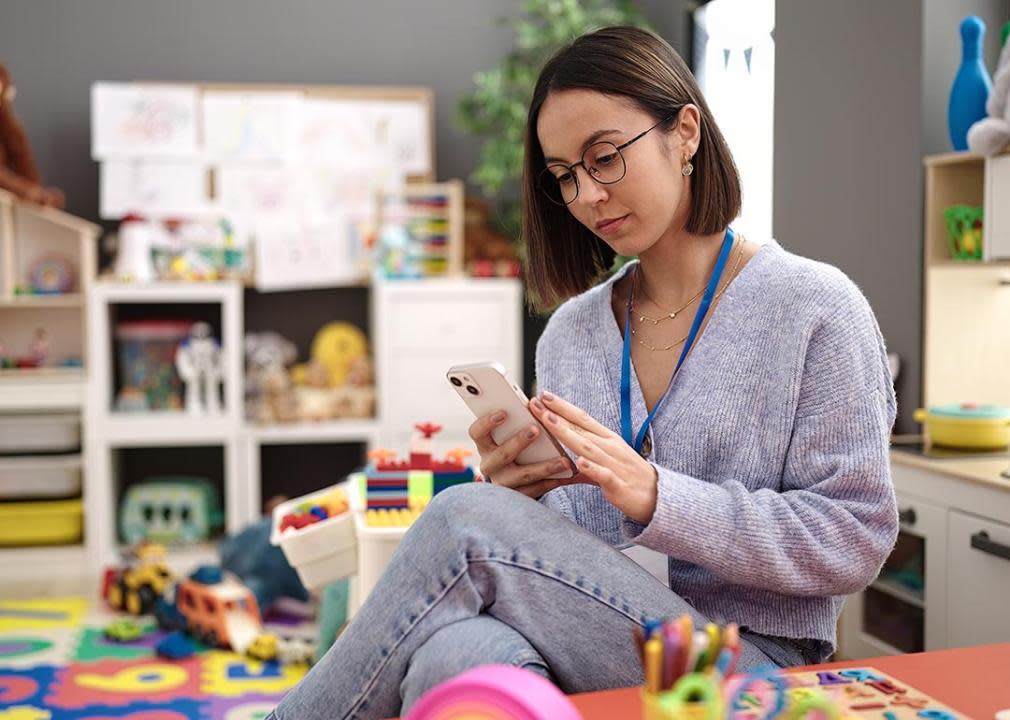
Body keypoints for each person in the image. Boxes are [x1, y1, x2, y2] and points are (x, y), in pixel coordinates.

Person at [267, 26, 897, 720]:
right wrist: (525, 496)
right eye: (565, 176)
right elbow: (566, 559)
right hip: (595, 642)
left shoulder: (816, 308)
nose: (588, 195)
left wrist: (659, 496)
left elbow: (854, 538)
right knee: (458, 653)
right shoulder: (573, 332)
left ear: (684, 132)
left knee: (463, 521)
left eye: (604, 158)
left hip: (741, 668)